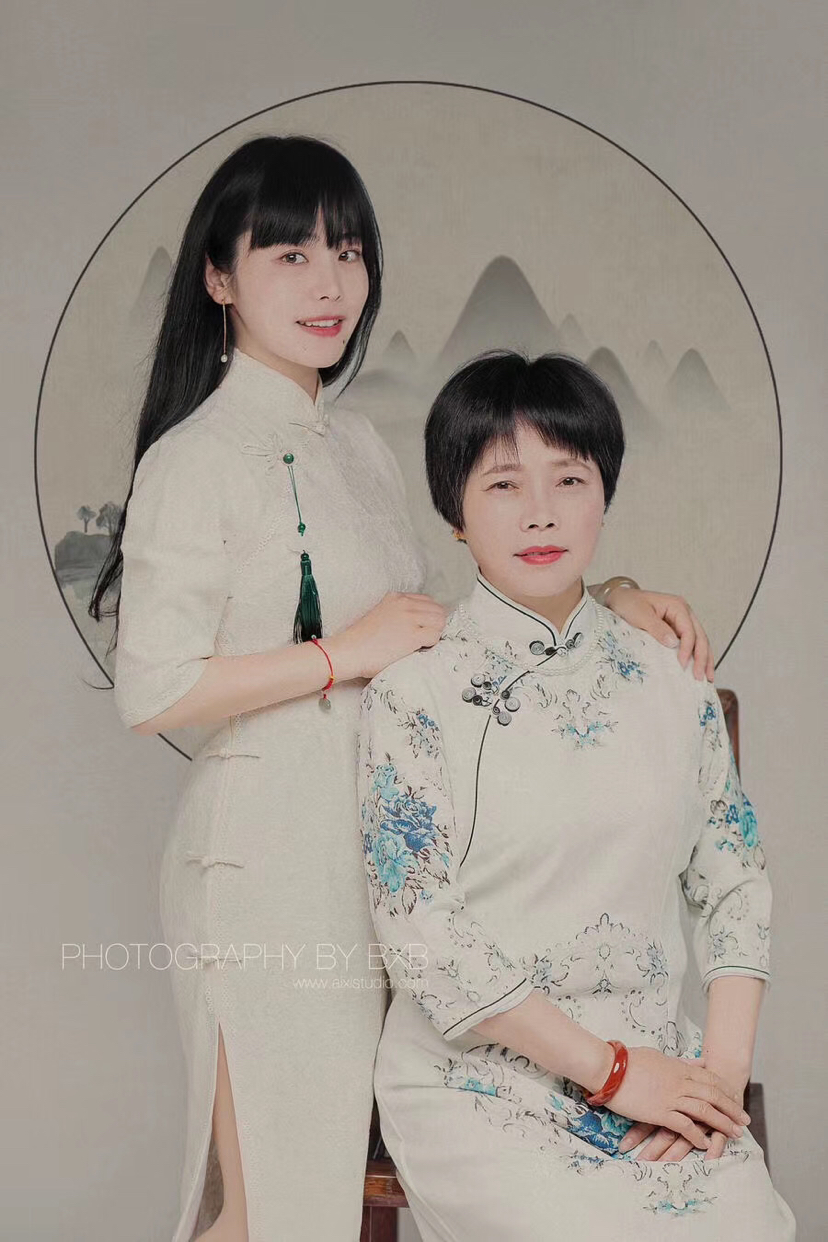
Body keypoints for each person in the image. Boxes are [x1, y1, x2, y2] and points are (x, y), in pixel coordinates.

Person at [90, 136, 717, 1242]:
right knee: (278, 1206)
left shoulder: (358, 446)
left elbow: (447, 622)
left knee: (308, 1202)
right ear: (220, 278)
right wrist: (344, 653)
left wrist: (610, 591)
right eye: (289, 255)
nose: (329, 283)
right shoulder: (195, 458)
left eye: (348, 252)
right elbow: (154, 687)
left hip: (375, 860)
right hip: (268, 866)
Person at [356, 351, 795, 1240]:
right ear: (454, 514)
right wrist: (613, 1074)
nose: (541, 512)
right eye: (503, 485)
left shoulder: (673, 678)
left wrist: (715, 1080)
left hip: (661, 1068)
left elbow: (736, 883)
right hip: (478, 1075)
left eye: (569, 479)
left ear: (605, 494)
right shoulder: (414, 692)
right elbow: (425, 935)